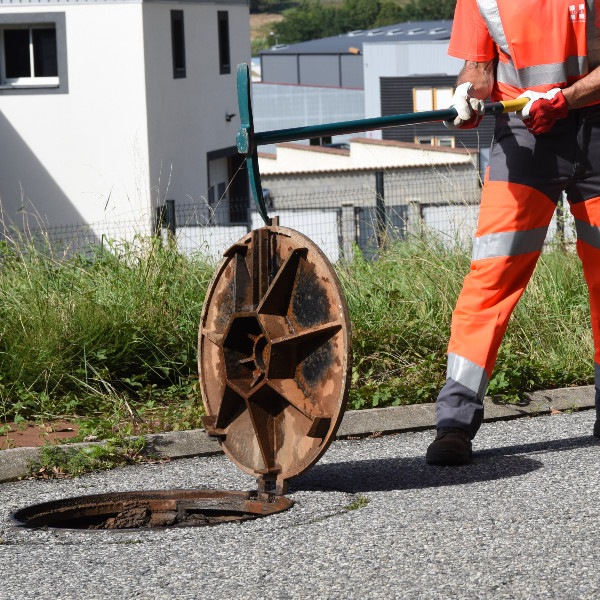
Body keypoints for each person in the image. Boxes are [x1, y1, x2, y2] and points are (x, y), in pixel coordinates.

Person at [426, 0, 600, 466]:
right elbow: (479, 68)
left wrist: (566, 98)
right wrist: (467, 93)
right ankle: (455, 424)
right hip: (523, 135)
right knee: (493, 272)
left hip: (598, 124)